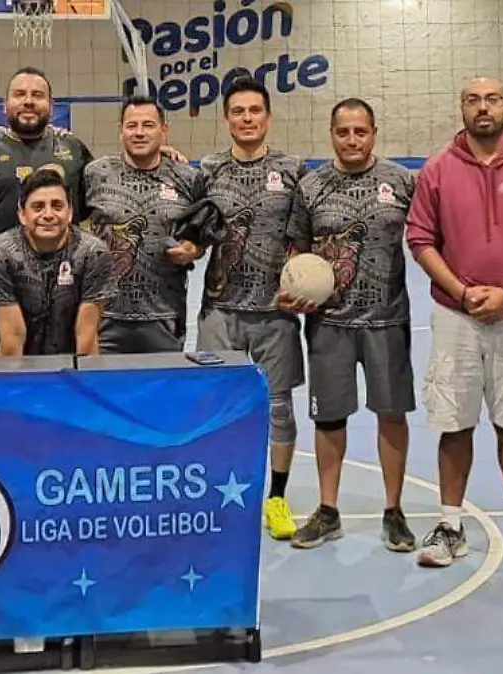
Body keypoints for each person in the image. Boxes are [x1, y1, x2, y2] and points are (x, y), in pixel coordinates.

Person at [405, 77, 503, 574]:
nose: (483, 108)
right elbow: (421, 239)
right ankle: (450, 526)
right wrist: (461, 291)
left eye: (492, 99)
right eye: (473, 100)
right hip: (457, 317)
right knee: (454, 423)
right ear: (462, 108)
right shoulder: (437, 168)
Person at [281, 98, 417, 553]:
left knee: (391, 414)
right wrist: (292, 288)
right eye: (343, 132)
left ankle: (394, 511)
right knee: (329, 417)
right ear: (332, 134)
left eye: (361, 131)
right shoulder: (311, 186)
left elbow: (428, 236)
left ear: (374, 133)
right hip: (329, 324)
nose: (352, 140)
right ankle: (328, 510)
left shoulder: (401, 181)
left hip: (387, 320)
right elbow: (296, 251)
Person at [195, 77, 306, 540]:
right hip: (220, 309)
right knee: (215, 408)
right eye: (238, 111)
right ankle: (217, 497)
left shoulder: (292, 170)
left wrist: (302, 277)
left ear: (268, 117)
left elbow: (303, 239)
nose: (246, 119)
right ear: (226, 119)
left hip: (275, 313)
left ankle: (276, 499)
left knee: (279, 409)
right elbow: (194, 231)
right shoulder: (207, 170)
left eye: (254, 110)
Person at [0, 67, 95, 356]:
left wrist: (163, 152)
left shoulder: (74, 150)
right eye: (20, 94)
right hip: (1, 289)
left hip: (65, 290)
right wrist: (0, 258)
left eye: (37, 95)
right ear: (5, 105)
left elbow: (93, 214)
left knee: (64, 372)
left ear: (51, 106)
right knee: (3, 372)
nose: (28, 101)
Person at [83, 95, 209, 353]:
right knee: (100, 379)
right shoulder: (95, 173)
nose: (139, 132)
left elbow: (202, 235)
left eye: (148, 125)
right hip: (103, 315)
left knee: (163, 379)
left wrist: (193, 250)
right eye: (132, 125)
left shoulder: (188, 178)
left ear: (164, 130)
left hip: (165, 315)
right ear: (121, 131)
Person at [0, 167, 116, 356]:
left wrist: (79, 373)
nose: (48, 214)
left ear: (70, 212)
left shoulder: (94, 253)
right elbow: (13, 337)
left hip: (70, 358)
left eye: (57, 206)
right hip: (17, 359)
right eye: (38, 207)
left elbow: (86, 333)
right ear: (22, 214)